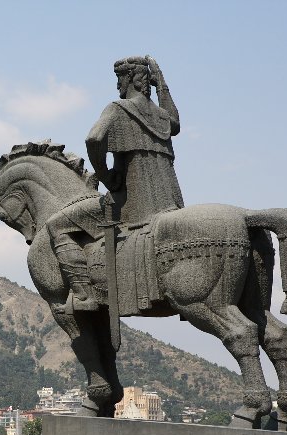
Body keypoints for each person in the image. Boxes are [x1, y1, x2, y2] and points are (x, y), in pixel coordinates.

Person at [46, 55, 182, 312]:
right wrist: (162, 84)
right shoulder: (161, 115)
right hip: (169, 201)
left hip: (132, 202)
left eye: (119, 78)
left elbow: (94, 139)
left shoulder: (119, 109)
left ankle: (84, 295)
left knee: (56, 225)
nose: (117, 85)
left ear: (129, 78)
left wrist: (106, 175)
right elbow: (175, 122)